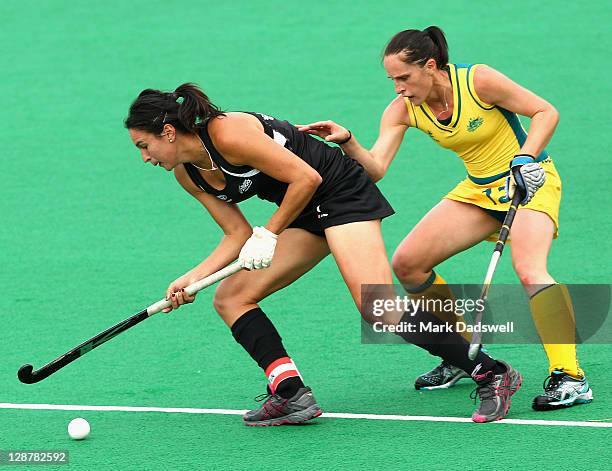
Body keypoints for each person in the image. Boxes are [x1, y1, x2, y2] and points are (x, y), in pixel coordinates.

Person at [124, 82, 522, 425]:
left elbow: (307, 176)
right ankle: (291, 393)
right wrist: (191, 278)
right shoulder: (187, 174)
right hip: (302, 209)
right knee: (231, 297)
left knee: (378, 308)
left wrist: (271, 233)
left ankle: (490, 371)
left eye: (145, 145)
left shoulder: (227, 132)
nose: (144, 157)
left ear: (169, 132)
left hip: (338, 192)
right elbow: (236, 234)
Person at [298, 26, 592, 411]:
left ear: (431, 66)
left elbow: (544, 111)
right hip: (479, 190)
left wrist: (526, 157)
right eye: (392, 80)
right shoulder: (403, 110)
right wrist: (349, 140)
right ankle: (463, 354)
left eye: (403, 77)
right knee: (409, 263)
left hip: (528, 181)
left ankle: (570, 377)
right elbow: (376, 167)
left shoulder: (478, 81)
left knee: (530, 270)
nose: (398, 88)